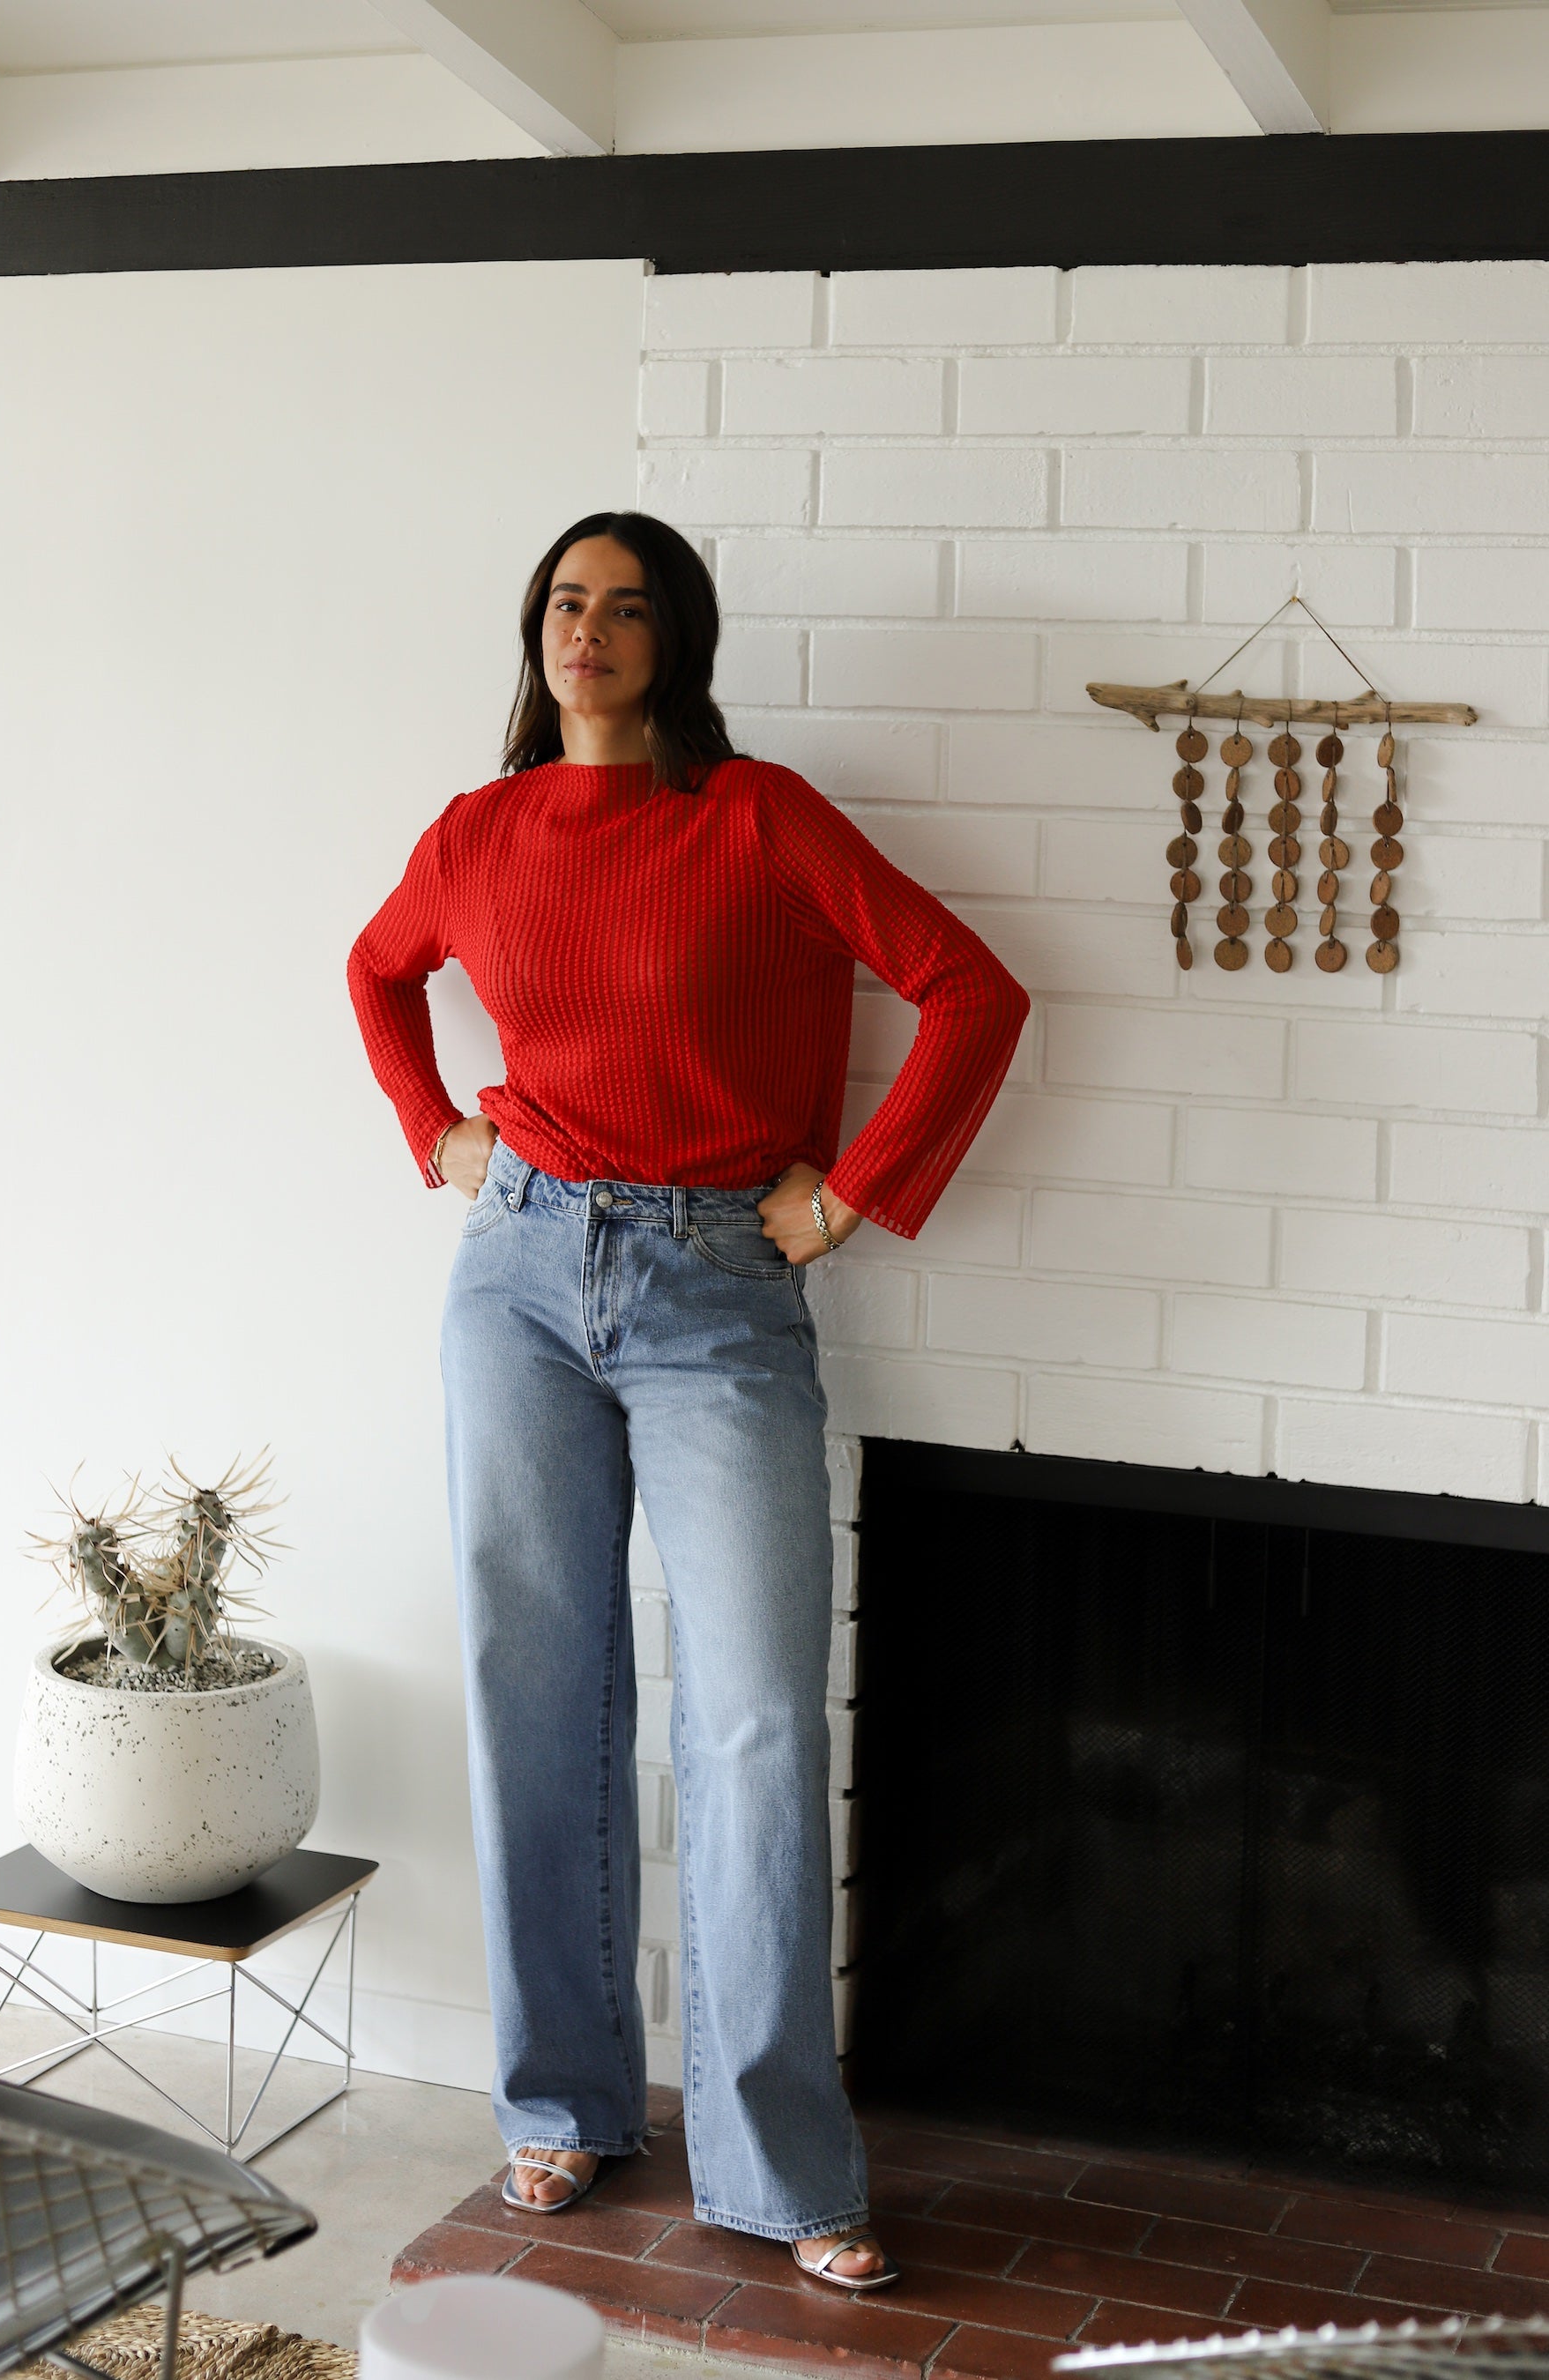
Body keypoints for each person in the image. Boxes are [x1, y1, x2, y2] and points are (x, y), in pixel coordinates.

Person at [348, 509, 1029, 2291]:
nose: (589, 630)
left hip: (720, 1283)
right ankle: (561, 2101)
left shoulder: (759, 818)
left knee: (754, 1720)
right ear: (537, 631)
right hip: (515, 1280)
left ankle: (779, 2162)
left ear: (677, 641)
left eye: (628, 607)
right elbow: (376, 968)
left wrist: (849, 1197)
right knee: (535, 1692)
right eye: (567, 602)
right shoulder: (479, 832)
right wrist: (436, 1132)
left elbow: (971, 990)